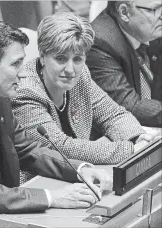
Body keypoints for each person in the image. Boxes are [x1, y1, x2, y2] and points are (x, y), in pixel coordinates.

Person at [0, 17, 112, 228]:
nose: (23, 74)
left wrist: (81, 169)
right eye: (15, 64)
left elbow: (29, 150)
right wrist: (53, 197)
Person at [11, 12, 154, 166]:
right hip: (41, 180)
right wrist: (130, 150)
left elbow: (113, 114)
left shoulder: (81, 75)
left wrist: (137, 137)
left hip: (82, 172)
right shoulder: (25, 91)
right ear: (42, 55)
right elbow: (60, 147)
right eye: (61, 59)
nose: (70, 70)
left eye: (78, 59)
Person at [86, 0, 162, 127]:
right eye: (154, 9)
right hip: (123, 137)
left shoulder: (152, 28)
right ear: (124, 12)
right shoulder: (99, 43)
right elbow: (128, 105)